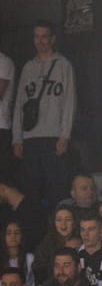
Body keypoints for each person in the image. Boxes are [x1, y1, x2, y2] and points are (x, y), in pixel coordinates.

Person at [11, 21, 78, 206]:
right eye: (36, 37)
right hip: (30, 136)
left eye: (44, 37)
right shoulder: (28, 67)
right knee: (30, 190)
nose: (40, 41)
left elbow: (70, 101)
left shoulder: (63, 64)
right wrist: (17, 138)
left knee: (57, 190)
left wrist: (65, 135)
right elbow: (19, 104)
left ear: (52, 39)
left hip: (53, 136)